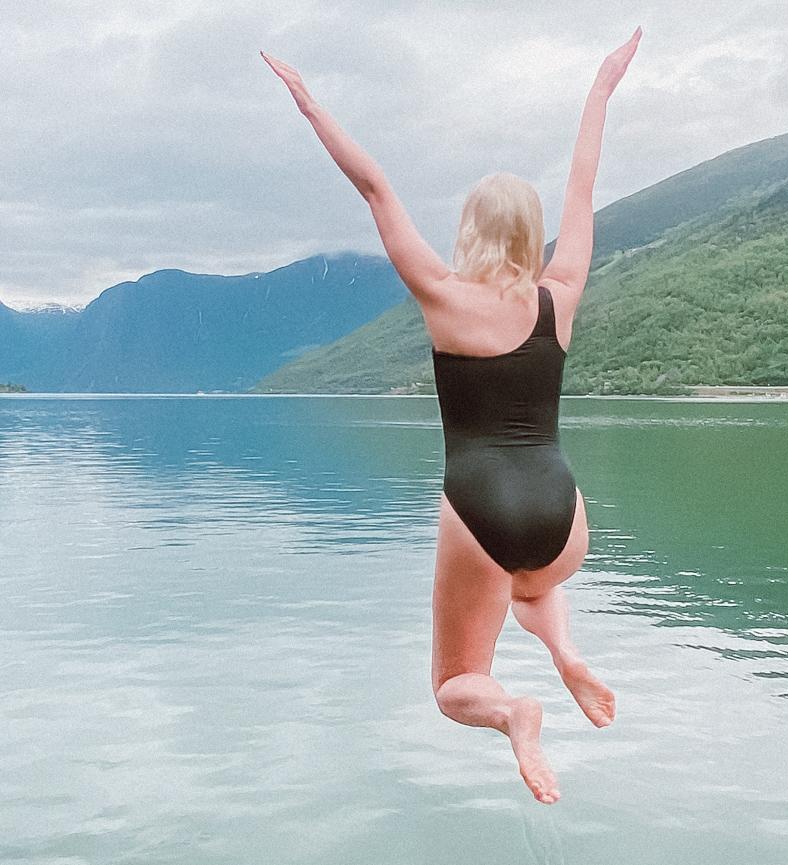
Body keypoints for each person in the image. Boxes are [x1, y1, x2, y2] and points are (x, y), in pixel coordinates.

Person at [262, 26, 642, 805]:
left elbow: (374, 187)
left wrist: (310, 104)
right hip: (563, 514)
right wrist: (601, 89)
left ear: (470, 231)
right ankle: (565, 651)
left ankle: (515, 712)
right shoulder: (560, 293)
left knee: (456, 682)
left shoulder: (442, 294)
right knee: (532, 586)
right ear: (531, 237)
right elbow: (585, 185)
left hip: (479, 508)